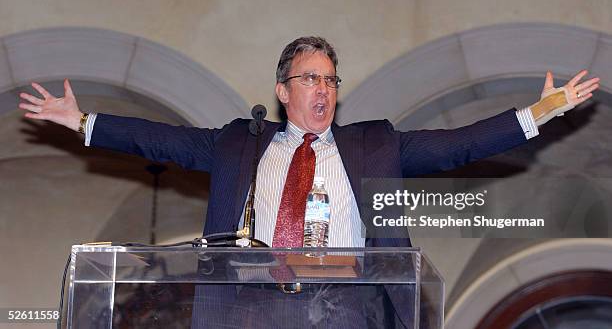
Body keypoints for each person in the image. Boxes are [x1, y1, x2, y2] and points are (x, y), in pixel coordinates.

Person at [19, 36, 600, 327]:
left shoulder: (374, 143)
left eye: (331, 80)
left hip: (346, 306)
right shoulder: (238, 144)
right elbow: (158, 141)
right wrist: (83, 121)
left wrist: (538, 113)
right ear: (283, 90)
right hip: (250, 308)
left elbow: (461, 145)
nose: (323, 90)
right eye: (310, 78)